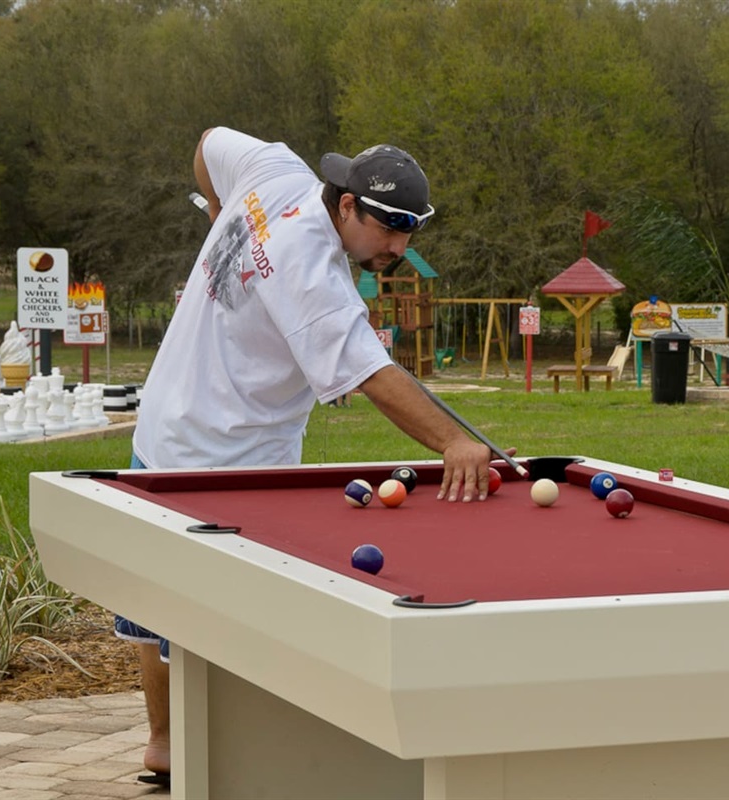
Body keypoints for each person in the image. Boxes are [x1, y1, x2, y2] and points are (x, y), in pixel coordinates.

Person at [115, 127, 500, 784]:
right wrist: (457, 443)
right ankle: (236, 760)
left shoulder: (272, 170)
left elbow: (208, 143)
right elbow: (375, 376)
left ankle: (165, 746)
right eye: (391, 227)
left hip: (164, 430)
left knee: (161, 609)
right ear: (347, 204)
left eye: (413, 229)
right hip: (231, 464)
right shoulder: (313, 272)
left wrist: (218, 210)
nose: (401, 246)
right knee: (226, 619)